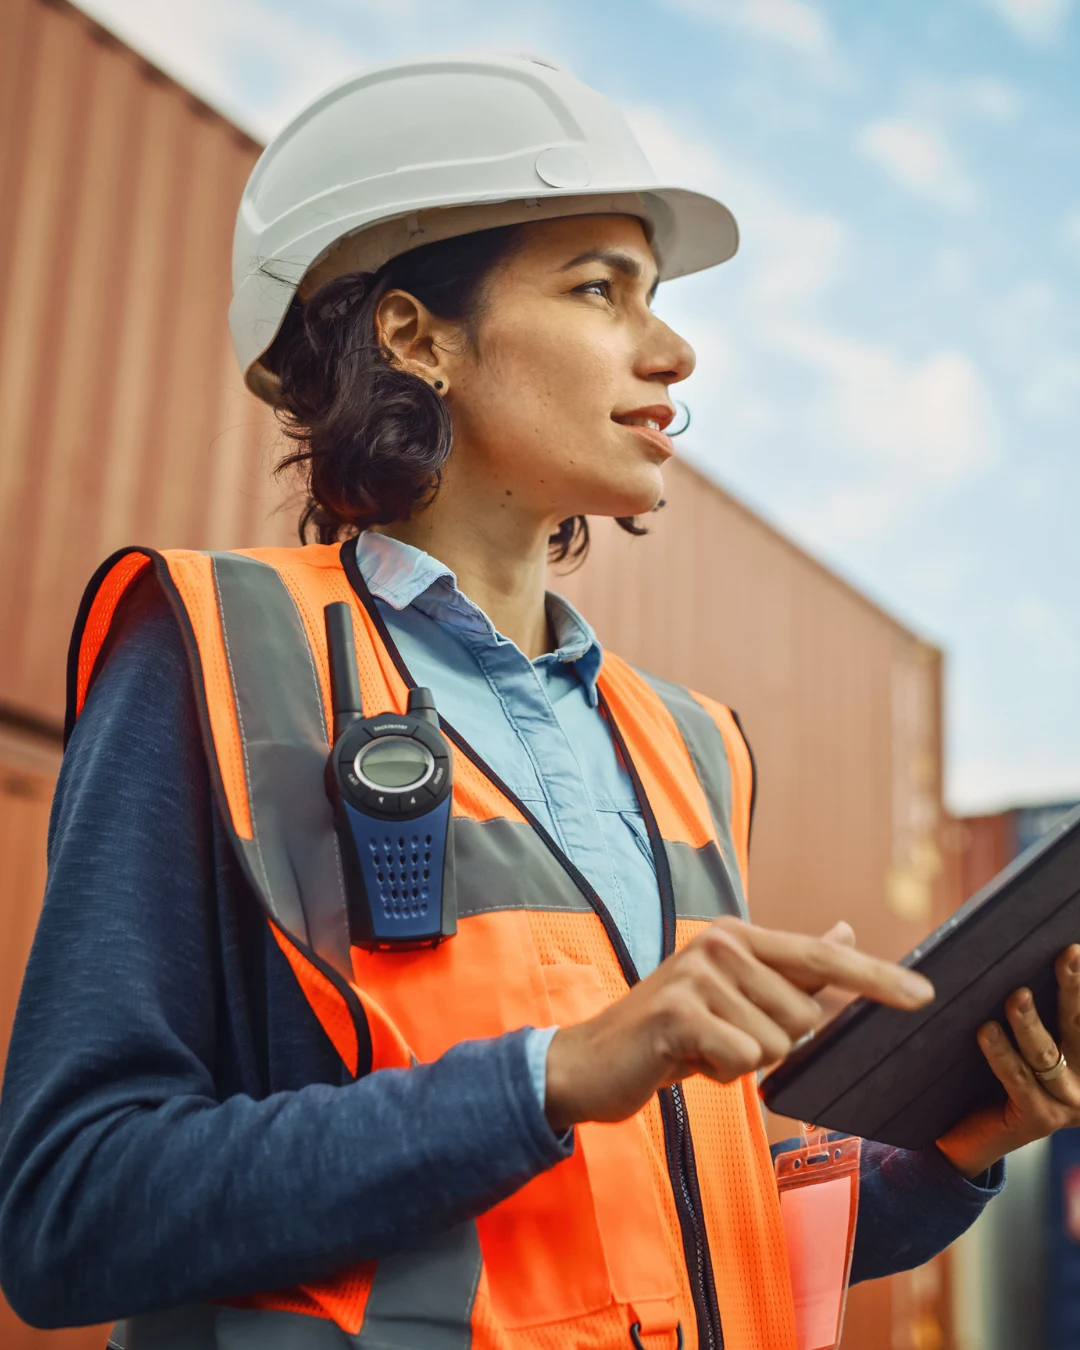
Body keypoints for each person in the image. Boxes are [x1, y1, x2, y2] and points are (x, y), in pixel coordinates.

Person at [1, 52, 1078, 1350]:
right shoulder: (218, 653)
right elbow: (65, 1216)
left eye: (656, 299)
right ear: (414, 335)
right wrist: (548, 1073)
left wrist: (960, 1142)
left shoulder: (686, 744)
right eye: (599, 289)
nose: (674, 349)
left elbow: (682, 1232)